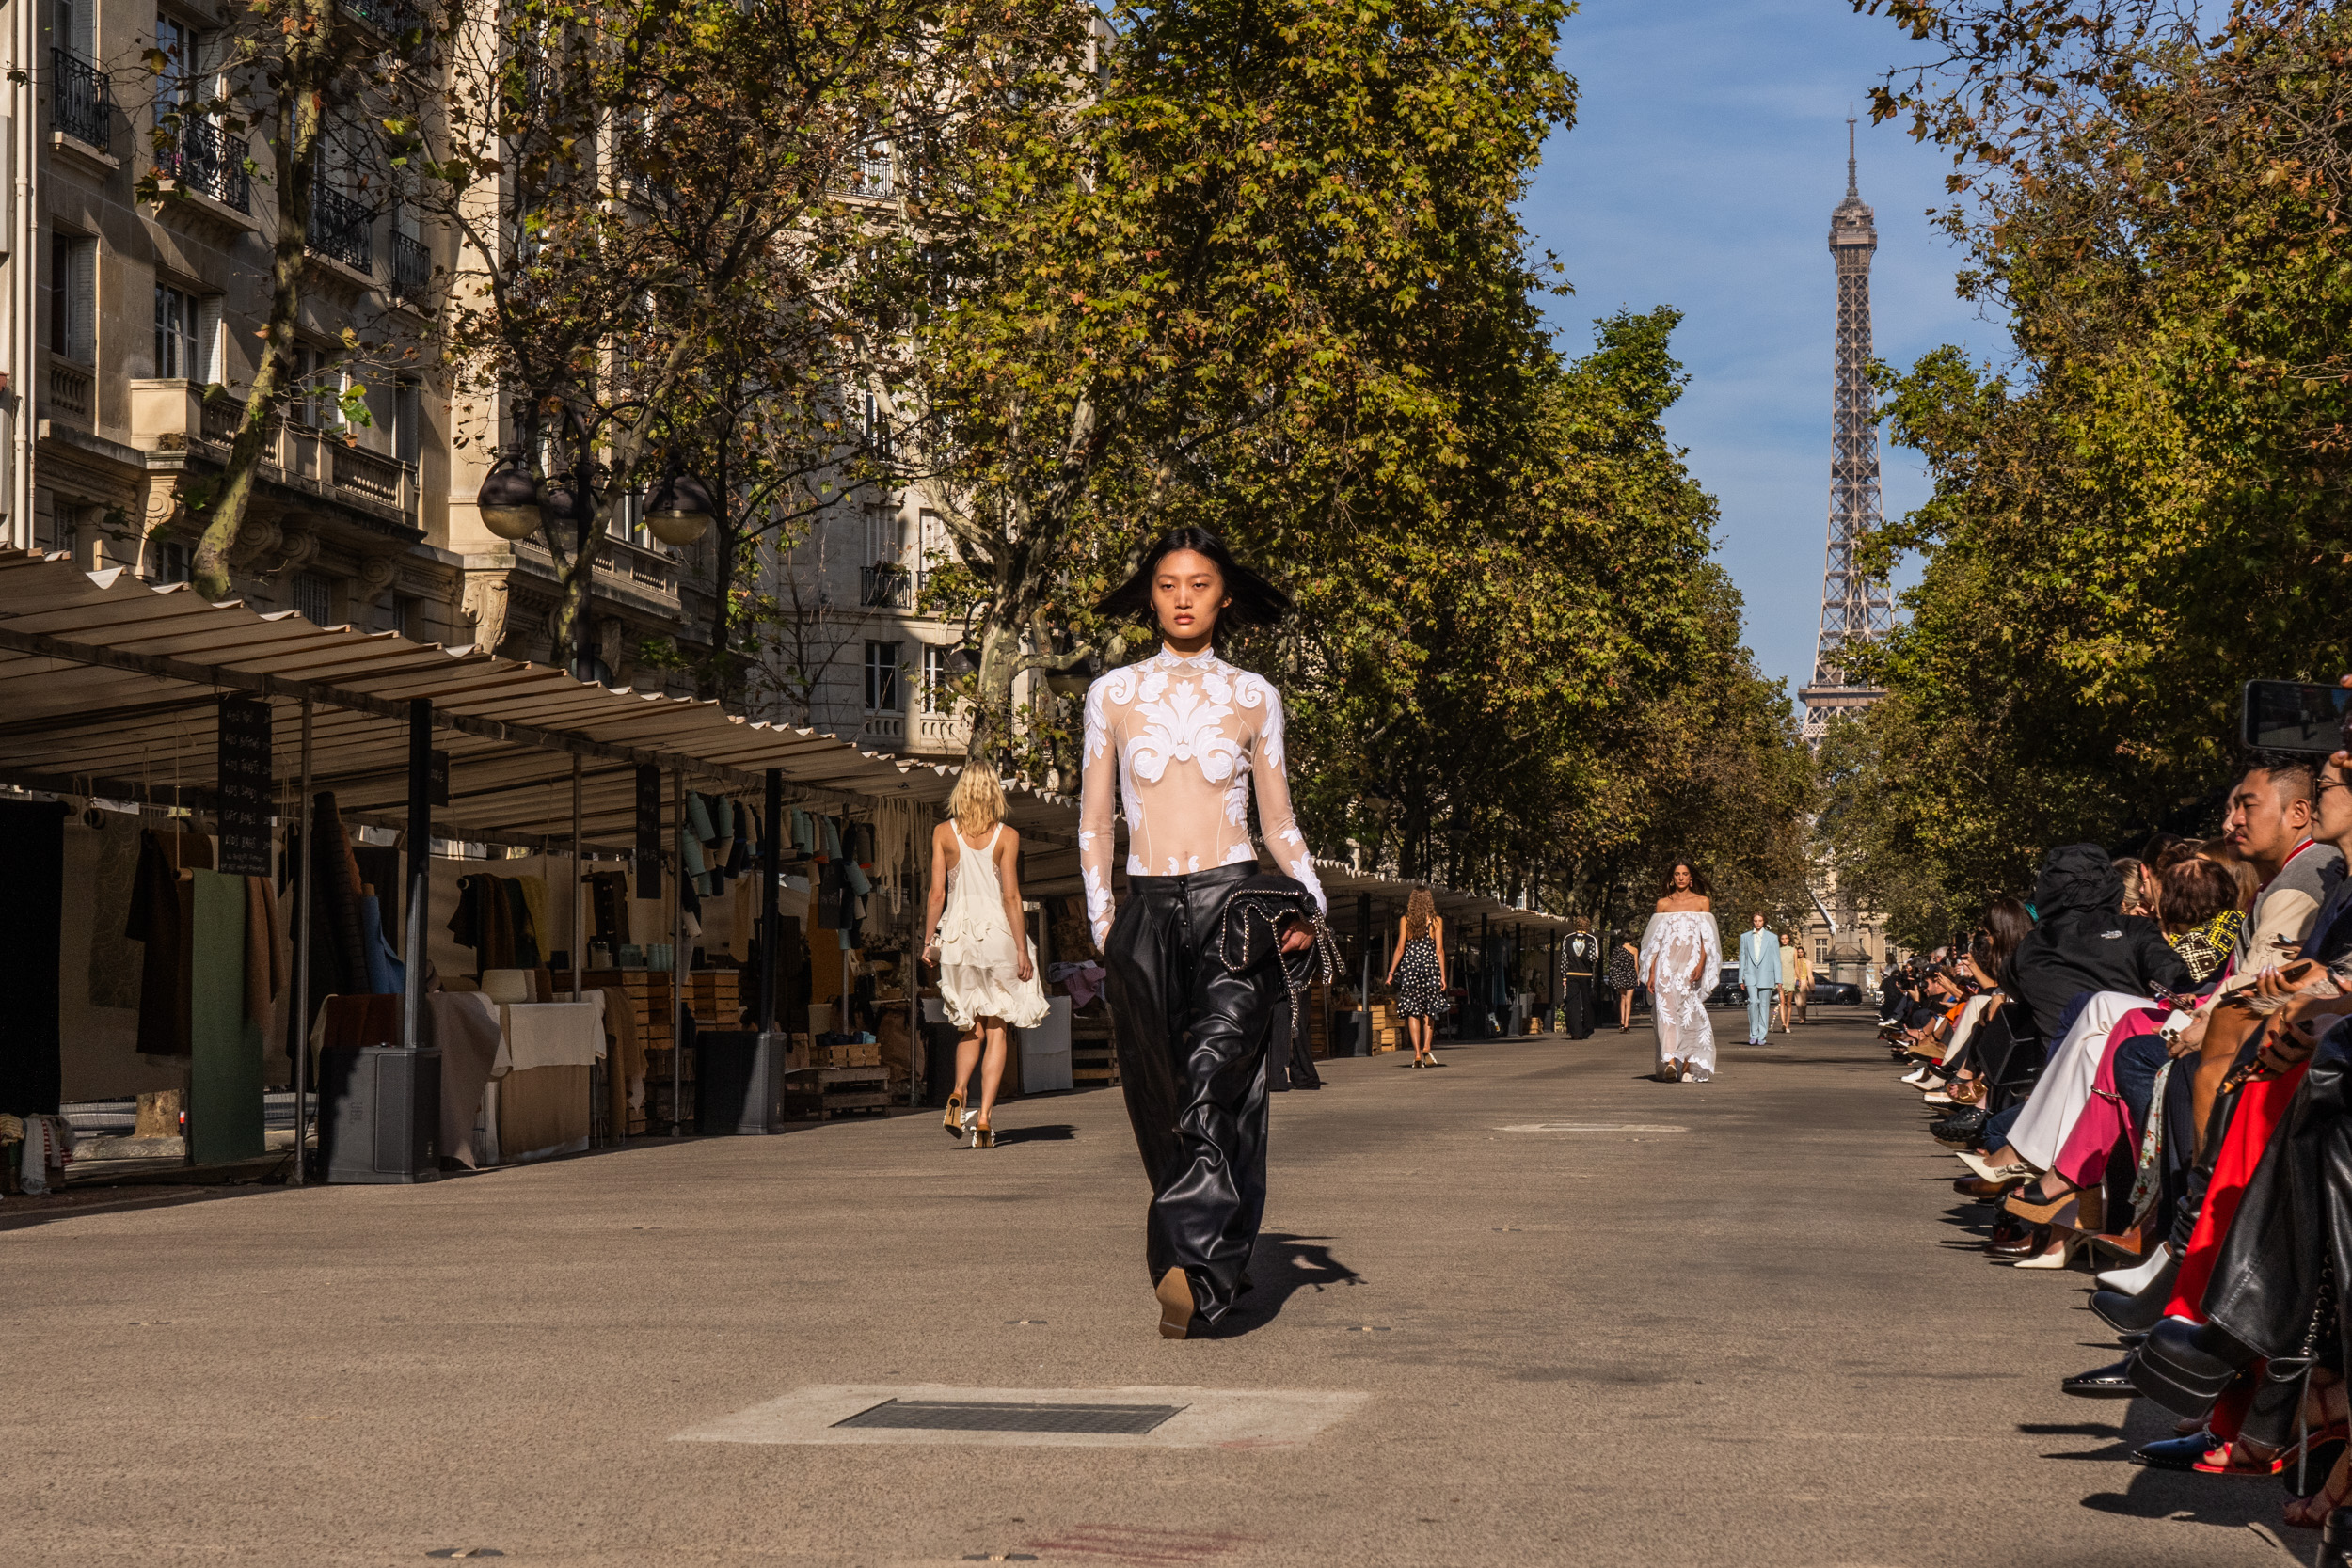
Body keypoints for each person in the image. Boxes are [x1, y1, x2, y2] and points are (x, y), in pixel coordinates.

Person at [1081, 525, 1322, 1340]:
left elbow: (1280, 823)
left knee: (1218, 1084)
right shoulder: (1111, 694)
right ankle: (1205, 1261)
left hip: (1233, 908)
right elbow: (1094, 824)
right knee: (1160, 1101)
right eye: (1168, 583)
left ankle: (1190, 1260)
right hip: (1143, 912)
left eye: (1200, 583)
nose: (1183, 597)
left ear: (1225, 595)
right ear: (1150, 595)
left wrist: (1307, 906)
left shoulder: (1255, 696)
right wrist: (1105, 920)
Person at [922, 759, 1050, 1149]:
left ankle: (959, 1091)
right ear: (995, 792)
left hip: (958, 938)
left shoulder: (943, 833)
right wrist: (1021, 949)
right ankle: (986, 1120)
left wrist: (929, 940)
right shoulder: (1006, 835)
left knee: (968, 1026)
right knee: (997, 1027)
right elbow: (1011, 895)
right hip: (997, 935)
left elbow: (937, 893)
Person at [1640, 861, 1720, 1082]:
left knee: (1689, 1014)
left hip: (1690, 966)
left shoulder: (1702, 902)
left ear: (1691, 878)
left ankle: (1686, 1065)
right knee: (1666, 1015)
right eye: (1677, 874)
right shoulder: (1663, 905)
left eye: (1685, 874)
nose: (1681, 878)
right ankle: (1671, 1062)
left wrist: (1702, 964)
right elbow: (1655, 942)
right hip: (1666, 966)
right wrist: (1652, 972)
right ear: (1672, 878)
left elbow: (1708, 939)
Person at [1384, 888, 1447, 1068]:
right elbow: (1440, 950)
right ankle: (1427, 1046)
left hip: (1411, 969)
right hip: (1430, 969)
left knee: (1413, 1011)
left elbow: (1400, 949)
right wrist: (1443, 976)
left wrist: (1391, 972)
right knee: (1429, 1009)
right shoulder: (1436, 921)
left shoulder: (1406, 920)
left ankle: (1418, 1054)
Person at [1737, 911, 1779, 1046]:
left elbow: (1776, 959)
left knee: (1764, 1005)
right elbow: (1742, 957)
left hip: (1766, 974)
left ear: (1764, 921)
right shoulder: (1745, 937)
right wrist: (1740, 978)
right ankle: (1753, 1034)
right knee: (1753, 1002)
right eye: (1755, 921)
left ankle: (1762, 1035)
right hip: (1750, 974)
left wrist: (1779, 979)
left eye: (1760, 920)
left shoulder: (1772, 938)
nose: (1758, 923)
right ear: (1752, 922)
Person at [1558, 915, 1600, 1039]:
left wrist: (1564, 976)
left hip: (1572, 974)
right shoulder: (1591, 939)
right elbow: (1594, 957)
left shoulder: (1568, 938)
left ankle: (1575, 1031)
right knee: (1587, 1002)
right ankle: (1587, 1028)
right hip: (1586, 974)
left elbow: (1564, 959)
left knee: (1573, 1003)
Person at [1607, 932, 1640, 1033]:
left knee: (1622, 998)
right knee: (1629, 1000)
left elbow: (1613, 964)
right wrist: (1637, 977)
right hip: (1630, 975)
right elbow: (1636, 965)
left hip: (1620, 976)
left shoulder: (1617, 950)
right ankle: (1626, 1024)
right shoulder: (1634, 950)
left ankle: (1621, 1022)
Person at [1785, 934, 1812, 1025]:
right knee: (1798, 1002)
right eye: (1798, 952)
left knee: (1803, 1003)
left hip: (1804, 982)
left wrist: (1812, 986)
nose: (1800, 953)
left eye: (1801, 952)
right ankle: (1801, 1018)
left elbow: (1810, 975)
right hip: (1796, 982)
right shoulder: (1794, 963)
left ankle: (1803, 1015)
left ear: (1804, 953)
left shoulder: (1808, 962)